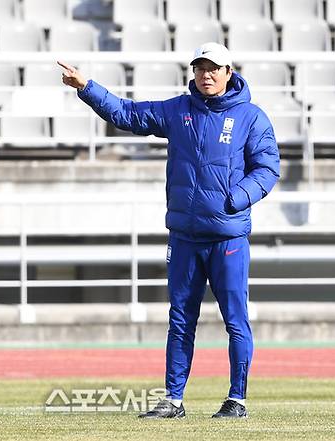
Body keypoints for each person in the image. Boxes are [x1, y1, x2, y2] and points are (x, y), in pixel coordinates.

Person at [58, 42, 280, 419]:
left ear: (229, 72)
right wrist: (86, 86)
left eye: (214, 69)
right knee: (180, 319)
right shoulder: (178, 111)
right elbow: (126, 114)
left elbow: (267, 169)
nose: (206, 75)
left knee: (235, 321)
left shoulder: (251, 118)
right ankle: (173, 400)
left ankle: (236, 400)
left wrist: (235, 199)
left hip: (227, 238)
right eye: (200, 68)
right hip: (184, 236)